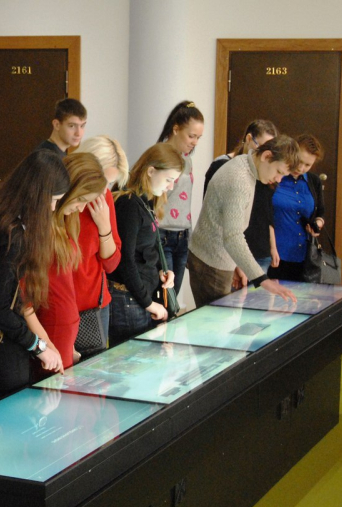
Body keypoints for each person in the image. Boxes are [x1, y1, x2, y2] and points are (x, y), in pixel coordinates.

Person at [0, 149, 70, 404]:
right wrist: (38, 346)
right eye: (53, 200)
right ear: (38, 195)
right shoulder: (14, 235)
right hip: (0, 349)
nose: (53, 208)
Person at [188, 135, 300, 307]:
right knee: (219, 322)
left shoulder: (244, 164)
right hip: (212, 263)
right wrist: (262, 279)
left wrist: (238, 264)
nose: (278, 180)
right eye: (279, 172)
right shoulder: (239, 179)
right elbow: (233, 236)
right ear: (266, 156)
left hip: (216, 258)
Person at [27, 152, 108, 371]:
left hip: (64, 330)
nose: (81, 209)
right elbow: (26, 302)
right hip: (51, 328)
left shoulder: (64, 222)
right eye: (81, 200)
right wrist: (46, 345)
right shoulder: (42, 228)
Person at [107, 144, 181, 344]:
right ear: (150, 171)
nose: (170, 187)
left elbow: (145, 250)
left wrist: (161, 271)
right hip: (129, 300)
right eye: (168, 180)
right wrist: (148, 304)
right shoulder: (129, 203)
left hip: (137, 297)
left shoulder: (145, 200)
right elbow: (125, 261)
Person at [205, 120, 280, 275]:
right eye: (262, 147)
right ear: (249, 139)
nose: (265, 155)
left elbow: (267, 211)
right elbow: (213, 215)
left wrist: (273, 246)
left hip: (261, 250)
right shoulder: (224, 166)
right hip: (230, 253)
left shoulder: (267, 171)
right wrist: (236, 262)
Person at [73, 135, 127, 344]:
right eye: (102, 180)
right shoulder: (61, 199)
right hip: (61, 305)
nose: (105, 190)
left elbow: (112, 264)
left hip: (95, 305)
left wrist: (104, 227)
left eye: (110, 183)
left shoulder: (104, 199)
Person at [156, 101, 204, 296]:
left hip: (182, 235)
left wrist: (189, 237)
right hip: (162, 234)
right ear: (176, 129)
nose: (195, 142)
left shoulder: (187, 159)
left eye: (198, 137)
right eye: (191, 136)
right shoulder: (159, 154)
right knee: (165, 297)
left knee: (173, 297)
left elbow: (184, 201)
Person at [269, 134, 326, 282]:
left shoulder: (314, 181)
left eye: (307, 165)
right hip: (273, 253)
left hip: (304, 256)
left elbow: (320, 212)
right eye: (299, 161)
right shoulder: (275, 176)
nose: (301, 168)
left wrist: (318, 224)